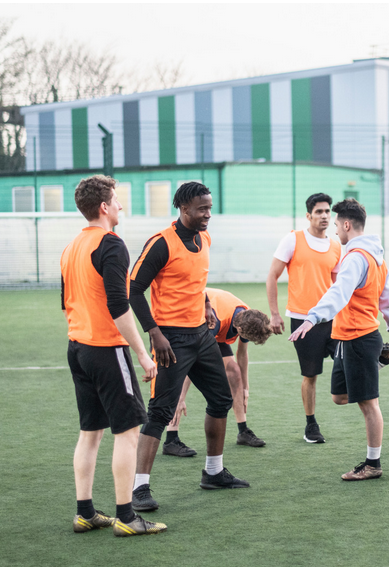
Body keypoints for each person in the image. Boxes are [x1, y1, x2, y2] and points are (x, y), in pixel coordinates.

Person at [128, 181, 249, 513]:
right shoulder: (161, 244)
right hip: (171, 340)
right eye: (202, 209)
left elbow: (196, 281)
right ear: (183, 209)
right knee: (160, 412)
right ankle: (139, 489)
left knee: (221, 398)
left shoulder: (204, 237)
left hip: (201, 334)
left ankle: (213, 472)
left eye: (209, 207)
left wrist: (207, 302)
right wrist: (154, 332)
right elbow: (133, 289)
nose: (208, 213)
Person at [60, 175, 166, 537]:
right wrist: (142, 354)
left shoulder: (71, 246)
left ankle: (85, 512)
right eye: (117, 200)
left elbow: (67, 304)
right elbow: (118, 304)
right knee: (128, 432)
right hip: (106, 349)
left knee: (90, 433)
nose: (121, 206)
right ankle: (126, 516)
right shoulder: (111, 244)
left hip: (78, 348)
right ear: (104, 207)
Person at [289, 198, 389, 481]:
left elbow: (339, 292)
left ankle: (373, 464)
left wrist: (312, 318)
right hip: (345, 338)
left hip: (360, 338)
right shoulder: (374, 256)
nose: (335, 229)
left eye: (337, 224)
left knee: (368, 404)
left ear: (347, 224)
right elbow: (386, 299)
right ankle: (378, 365)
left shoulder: (356, 258)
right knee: (339, 397)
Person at [266, 193, 342, 444]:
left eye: (327, 211)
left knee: (349, 358)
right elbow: (272, 277)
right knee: (311, 375)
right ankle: (311, 425)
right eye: (319, 212)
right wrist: (275, 314)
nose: (324, 216)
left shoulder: (335, 245)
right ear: (308, 215)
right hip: (302, 319)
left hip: (331, 319)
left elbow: (337, 285)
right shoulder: (293, 240)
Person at [172, 287, 272, 448]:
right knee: (178, 380)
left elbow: (242, 354)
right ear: (239, 330)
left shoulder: (247, 317)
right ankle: (171, 439)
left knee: (234, 371)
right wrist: (181, 397)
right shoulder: (215, 321)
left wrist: (245, 387)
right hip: (185, 322)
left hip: (217, 326)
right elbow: (192, 360)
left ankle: (243, 431)